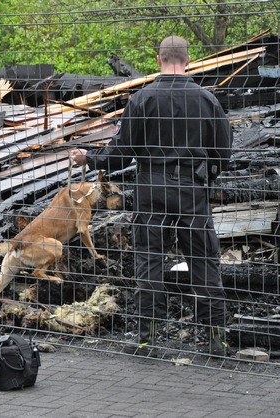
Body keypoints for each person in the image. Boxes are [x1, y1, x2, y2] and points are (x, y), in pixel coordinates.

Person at [70, 35, 232, 355]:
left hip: (151, 189)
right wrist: (206, 178)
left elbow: (120, 154)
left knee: (149, 264)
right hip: (191, 190)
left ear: (159, 60)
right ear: (187, 61)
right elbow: (223, 151)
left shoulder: (142, 99)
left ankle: (148, 339)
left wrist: (89, 158)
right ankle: (217, 340)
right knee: (204, 263)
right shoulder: (206, 99)